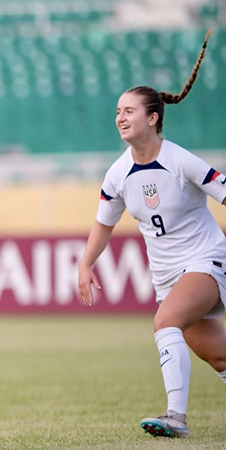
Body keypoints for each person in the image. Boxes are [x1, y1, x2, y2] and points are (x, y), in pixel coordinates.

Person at [78, 30, 226, 438]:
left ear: (153, 117)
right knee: (220, 358)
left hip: (205, 260)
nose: (120, 117)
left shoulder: (181, 161)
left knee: (165, 322)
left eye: (128, 110)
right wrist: (86, 263)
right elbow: (103, 224)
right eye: (118, 111)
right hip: (166, 277)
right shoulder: (118, 173)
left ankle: (175, 418)